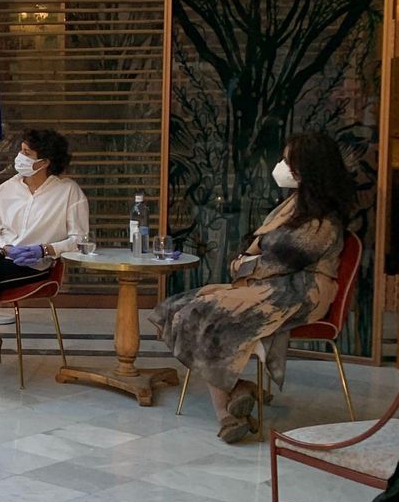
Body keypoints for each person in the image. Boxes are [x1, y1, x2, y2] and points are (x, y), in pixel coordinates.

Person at [151, 132, 355, 443]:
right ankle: (241, 389)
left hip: (298, 292)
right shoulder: (295, 205)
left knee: (208, 316)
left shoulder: (323, 220)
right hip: (269, 284)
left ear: (307, 169)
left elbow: (275, 258)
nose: (281, 167)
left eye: (288, 162)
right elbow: (260, 251)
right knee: (176, 310)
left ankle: (226, 415)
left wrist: (243, 262)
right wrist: (250, 258)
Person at [0, 128, 88, 390]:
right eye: (20, 151)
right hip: (2, 258)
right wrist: (6, 246)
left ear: (44, 163)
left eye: (26, 153)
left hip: (35, 264)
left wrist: (46, 250)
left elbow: (80, 240)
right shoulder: (6, 189)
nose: (19, 157)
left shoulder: (69, 192)